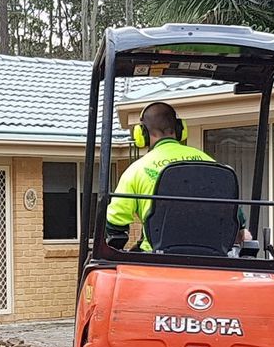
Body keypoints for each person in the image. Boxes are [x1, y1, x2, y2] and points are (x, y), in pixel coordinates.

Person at [105, 101, 249, 251]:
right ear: (181, 129)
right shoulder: (209, 163)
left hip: (156, 259)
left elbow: (115, 224)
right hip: (212, 257)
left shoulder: (136, 170)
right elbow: (236, 218)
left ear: (142, 134)